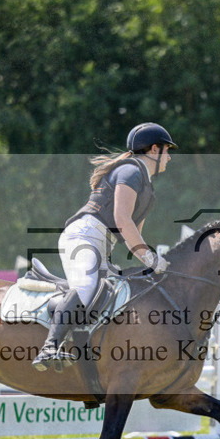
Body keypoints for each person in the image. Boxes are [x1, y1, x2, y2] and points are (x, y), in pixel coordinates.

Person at [32, 122, 177, 371]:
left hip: (102, 245)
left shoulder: (147, 189)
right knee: (87, 286)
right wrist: (152, 259)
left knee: (116, 296)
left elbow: (134, 238)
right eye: (167, 150)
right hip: (83, 237)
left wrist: (152, 263)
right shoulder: (130, 172)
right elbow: (122, 220)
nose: (170, 157)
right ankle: (49, 347)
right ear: (154, 149)